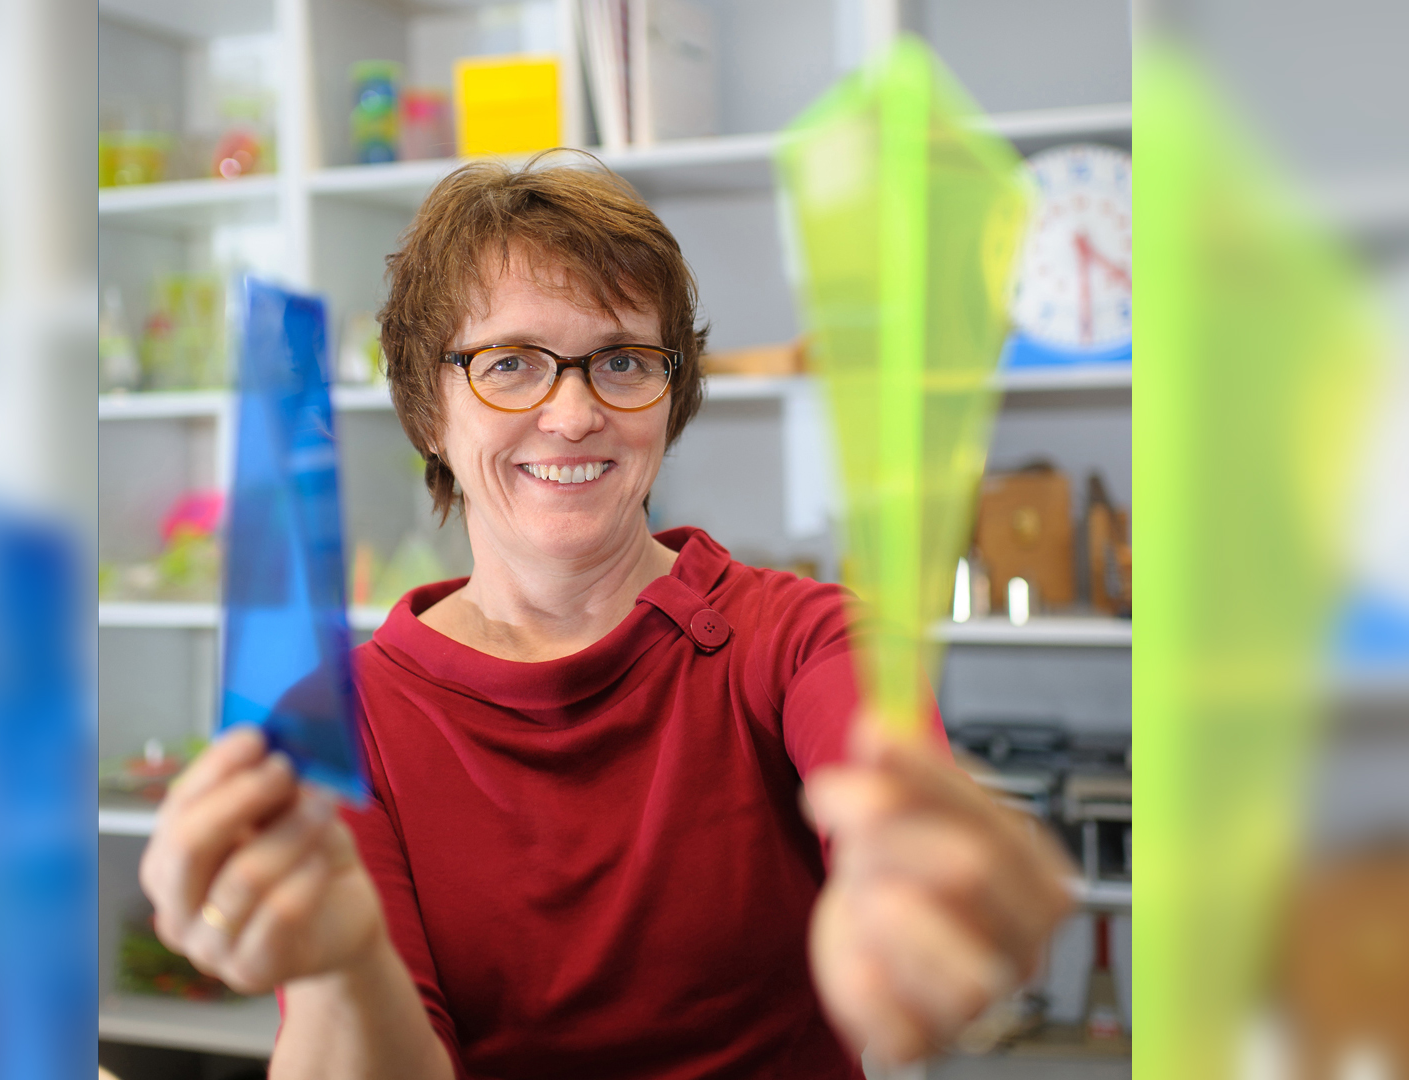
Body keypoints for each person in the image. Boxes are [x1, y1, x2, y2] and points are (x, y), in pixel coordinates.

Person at [139, 155, 1073, 1079]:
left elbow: (891, 801)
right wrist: (344, 969)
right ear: (429, 410)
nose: (574, 412)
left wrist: (919, 877)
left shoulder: (807, 639)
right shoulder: (342, 720)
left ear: (672, 398)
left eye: (622, 360)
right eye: (510, 364)